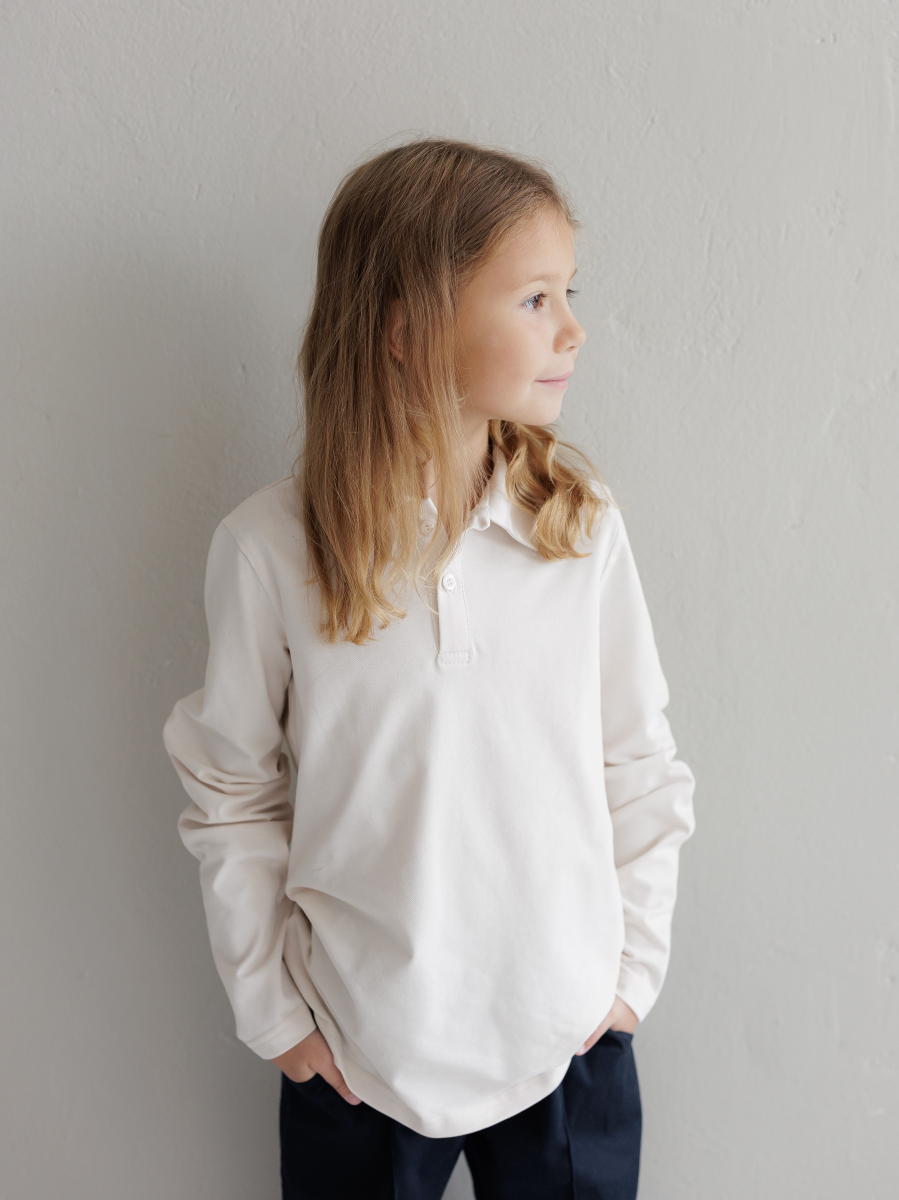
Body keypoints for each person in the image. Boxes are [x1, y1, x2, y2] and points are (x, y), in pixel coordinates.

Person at [163, 137, 696, 1200]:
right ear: (405, 329)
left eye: (568, 293)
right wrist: (275, 1016)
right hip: (359, 1056)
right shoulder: (270, 551)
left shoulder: (577, 530)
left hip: (566, 1046)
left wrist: (628, 980)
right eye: (534, 299)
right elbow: (230, 791)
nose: (572, 329)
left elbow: (637, 761)